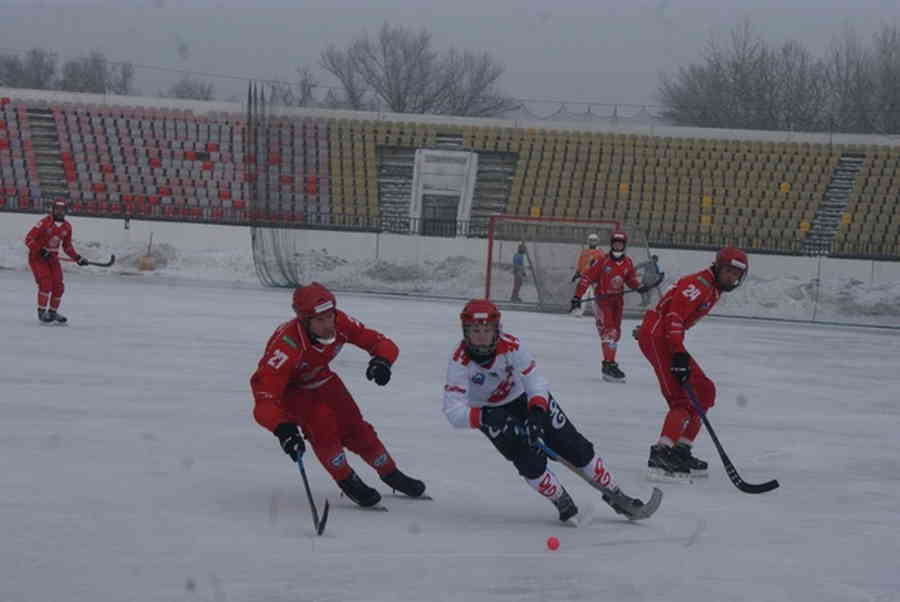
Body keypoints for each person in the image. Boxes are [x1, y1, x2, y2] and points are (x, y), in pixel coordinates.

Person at [441, 299, 654, 523]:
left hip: (524, 399)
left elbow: (535, 381)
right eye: (475, 330)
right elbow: (452, 410)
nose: (482, 336)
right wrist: (485, 416)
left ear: (497, 329)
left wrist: (537, 412)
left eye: (487, 329)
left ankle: (615, 494)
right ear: (466, 331)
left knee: (574, 446)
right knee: (528, 462)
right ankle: (560, 498)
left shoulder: (511, 346)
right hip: (490, 413)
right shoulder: (459, 362)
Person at [250, 282, 426, 507]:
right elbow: (263, 398)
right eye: (320, 320)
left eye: (330, 317)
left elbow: (379, 342)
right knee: (323, 426)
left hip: (323, 379)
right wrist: (282, 428)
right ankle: (345, 478)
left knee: (355, 426)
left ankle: (389, 471)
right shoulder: (286, 347)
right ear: (304, 321)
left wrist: (382, 360)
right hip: (293, 392)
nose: (328, 326)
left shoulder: (339, 321)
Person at [635, 246, 749, 480]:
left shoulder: (714, 287)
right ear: (718, 266)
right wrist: (676, 352)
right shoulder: (701, 284)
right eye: (728, 271)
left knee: (705, 391)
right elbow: (674, 316)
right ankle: (662, 452)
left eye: (737, 274)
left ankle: (681, 449)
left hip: (662, 334)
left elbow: (669, 308)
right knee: (682, 399)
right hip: (663, 337)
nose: (732, 277)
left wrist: (652, 326)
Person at [570, 231, 649, 383]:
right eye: (615, 242)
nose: (618, 245)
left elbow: (631, 280)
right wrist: (577, 296)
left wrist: (639, 287)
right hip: (603, 301)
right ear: (612, 244)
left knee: (616, 334)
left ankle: (609, 362)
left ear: (624, 245)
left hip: (617, 302)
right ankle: (608, 366)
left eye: (620, 243)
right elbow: (587, 278)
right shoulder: (602, 261)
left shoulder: (628, 262)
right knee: (609, 333)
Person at [24, 199, 88, 324]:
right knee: (46, 283)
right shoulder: (43, 223)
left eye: (62, 209)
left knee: (59, 286)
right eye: (57, 209)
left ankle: (53, 312)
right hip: (38, 258)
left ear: (66, 211)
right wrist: (40, 250)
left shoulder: (67, 227)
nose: (59, 211)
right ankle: (42, 312)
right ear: (53, 210)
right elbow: (29, 239)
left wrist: (77, 257)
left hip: (52, 259)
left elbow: (67, 246)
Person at [569, 233, 605, 316]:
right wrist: (577, 273)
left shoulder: (600, 253)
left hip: (595, 279)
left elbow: (602, 266)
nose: (592, 242)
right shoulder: (584, 252)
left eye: (594, 240)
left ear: (597, 242)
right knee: (581, 294)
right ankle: (577, 311)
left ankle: (599, 314)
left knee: (595, 297)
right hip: (584, 277)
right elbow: (580, 264)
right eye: (591, 240)